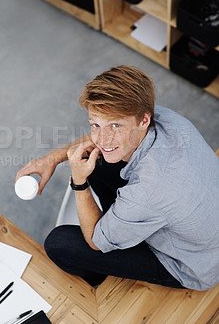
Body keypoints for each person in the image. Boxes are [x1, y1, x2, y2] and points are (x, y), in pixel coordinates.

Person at [15, 65, 219, 290]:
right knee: (99, 157)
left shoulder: (148, 192)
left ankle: (101, 277)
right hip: (198, 217)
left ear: (143, 120)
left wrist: (79, 181)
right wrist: (53, 158)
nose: (102, 138)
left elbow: (94, 241)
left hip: (194, 264)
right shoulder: (163, 118)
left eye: (115, 125)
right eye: (95, 124)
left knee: (59, 244)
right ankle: (121, 226)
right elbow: (101, 141)